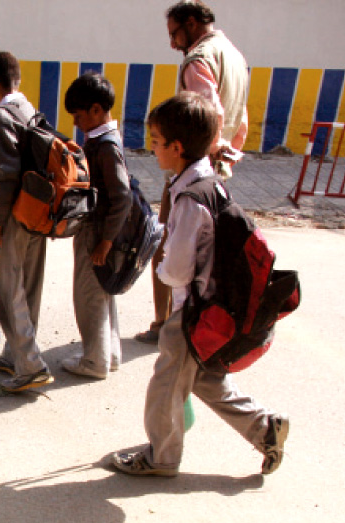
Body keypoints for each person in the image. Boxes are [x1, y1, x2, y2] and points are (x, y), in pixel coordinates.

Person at [112, 92, 289, 477]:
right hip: (212, 307)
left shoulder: (190, 199)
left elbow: (175, 270)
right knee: (206, 380)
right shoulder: (208, 182)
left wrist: (160, 272)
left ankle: (161, 458)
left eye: (157, 142)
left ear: (176, 148)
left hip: (192, 312)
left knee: (165, 386)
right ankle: (265, 427)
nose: (152, 149)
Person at [136, 0, 249, 345]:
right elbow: (240, 117)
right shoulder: (234, 55)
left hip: (194, 163)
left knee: (168, 244)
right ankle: (199, 319)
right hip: (220, 167)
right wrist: (228, 151)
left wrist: (202, 150)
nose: (172, 43)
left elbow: (205, 113)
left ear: (191, 23)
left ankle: (164, 323)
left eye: (174, 34)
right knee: (205, 249)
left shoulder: (198, 60)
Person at [0, 50, 53, 393]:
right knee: (30, 286)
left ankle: (30, 364)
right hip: (39, 211)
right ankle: (15, 354)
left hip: (15, 215)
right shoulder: (29, 108)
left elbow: (5, 175)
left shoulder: (0, 116)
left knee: (8, 291)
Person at [61, 72, 132, 379]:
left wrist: (104, 241)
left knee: (89, 296)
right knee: (104, 293)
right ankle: (109, 354)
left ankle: (94, 361)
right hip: (103, 232)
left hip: (99, 235)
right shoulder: (103, 140)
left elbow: (123, 197)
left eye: (79, 115)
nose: (76, 122)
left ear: (96, 110)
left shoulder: (105, 146)